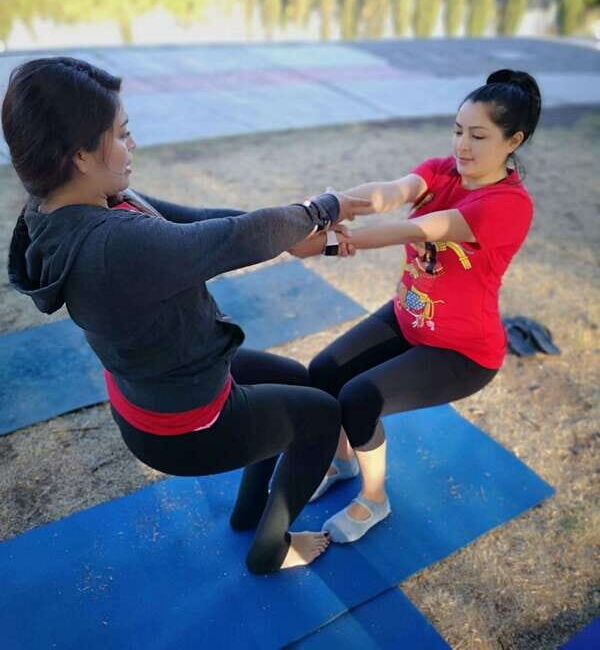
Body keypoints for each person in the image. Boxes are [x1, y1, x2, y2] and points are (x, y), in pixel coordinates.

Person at [3, 56, 370, 574]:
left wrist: (300, 237)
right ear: (80, 154)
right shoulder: (112, 245)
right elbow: (231, 241)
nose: (133, 145)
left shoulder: (67, 204)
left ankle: (248, 513)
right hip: (182, 428)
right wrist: (321, 209)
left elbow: (199, 227)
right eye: (122, 134)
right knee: (322, 416)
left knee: (297, 381)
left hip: (165, 384)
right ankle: (270, 549)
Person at [305, 69, 541, 543]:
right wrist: (327, 206)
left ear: (513, 141)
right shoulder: (442, 170)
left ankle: (374, 499)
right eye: (457, 131)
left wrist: (333, 242)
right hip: (410, 314)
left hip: (462, 351)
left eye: (478, 136)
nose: (462, 146)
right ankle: (344, 461)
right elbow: (391, 192)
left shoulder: (508, 205)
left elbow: (421, 229)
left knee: (360, 398)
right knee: (325, 372)